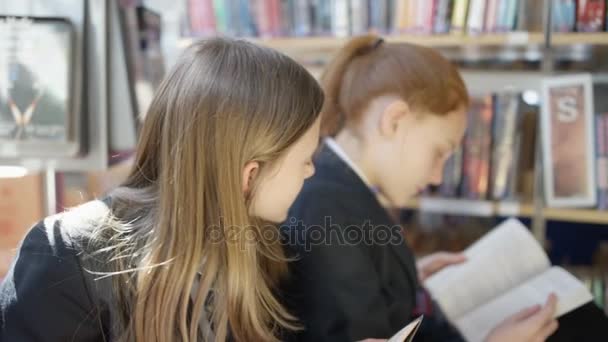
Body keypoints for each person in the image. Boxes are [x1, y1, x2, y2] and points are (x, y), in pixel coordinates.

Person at [0, 37, 324, 342]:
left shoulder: (263, 246)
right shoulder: (62, 257)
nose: (311, 170)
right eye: (305, 159)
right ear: (249, 176)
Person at [281, 35, 567, 342]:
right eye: (439, 151)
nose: (437, 176)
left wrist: (400, 279)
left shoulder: (340, 193)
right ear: (395, 120)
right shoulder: (326, 206)